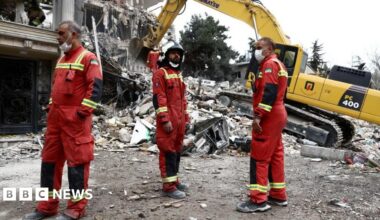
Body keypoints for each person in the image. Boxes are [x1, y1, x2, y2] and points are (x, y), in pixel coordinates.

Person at [23, 20, 103, 220]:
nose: (57, 37)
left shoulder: (88, 58)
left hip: (75, 122)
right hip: (56, 121)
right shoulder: (60, 60)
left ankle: (76, 208)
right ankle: (47, 206)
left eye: (61, 33)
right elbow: (55, 89)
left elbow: (96, 89)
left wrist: (81, 113)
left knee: (77, 165)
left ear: (73, 34)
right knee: (49, 163)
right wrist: (51, 106)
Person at [237, 37, 288, 213]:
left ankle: (258, 200)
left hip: (269, 115)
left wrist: (258, 116)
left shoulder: (269, 65)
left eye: (259, 48)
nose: (256, 51)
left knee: (259, 155)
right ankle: (278, 194)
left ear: (269, 49)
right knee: (275, 154)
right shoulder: (278, 64)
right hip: (277, 113)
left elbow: (269, 93)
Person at [152, 41, 190, 199]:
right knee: (168, 151)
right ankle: (168, 187)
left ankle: (174, 181)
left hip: (179, 121)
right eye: (173, 52)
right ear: (167, 55)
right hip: (168, 121)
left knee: (176, 151)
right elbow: (158, 98)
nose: (177, 55)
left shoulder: (178, 74)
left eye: (179, 53)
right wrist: (165, 120)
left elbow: (182, 100)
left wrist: (186, 119)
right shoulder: (161, 73)